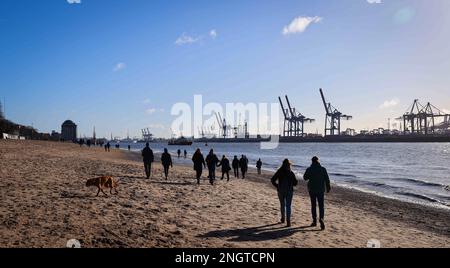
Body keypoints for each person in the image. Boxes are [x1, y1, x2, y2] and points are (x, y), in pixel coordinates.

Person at [303, 156, 331, 231]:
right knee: (321, 206)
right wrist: (328, 188)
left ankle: (314, 221)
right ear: (318, 161)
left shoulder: (309, 169)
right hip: (321, 190)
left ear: (312, 161)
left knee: (313, 205)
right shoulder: (323, 169)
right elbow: (327, 179)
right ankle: (321, 219)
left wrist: (309, 172)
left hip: (312, 189)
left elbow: (305, 178)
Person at [271, 159, 298, 227]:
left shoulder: (280, 171)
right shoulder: (291, 172)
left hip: (281, 190)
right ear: (289, 165)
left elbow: (272, 180)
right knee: (288, 206)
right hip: (289, 191)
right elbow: (295, 183)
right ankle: (288, 221)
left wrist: (277, 186)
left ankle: (283, 218)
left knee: (282, 205)